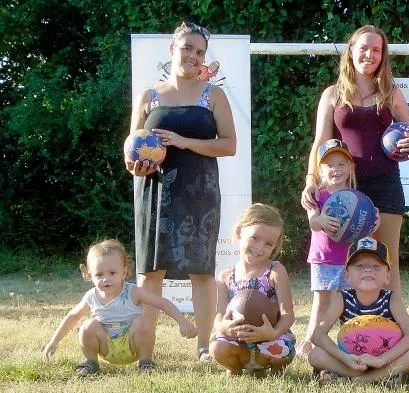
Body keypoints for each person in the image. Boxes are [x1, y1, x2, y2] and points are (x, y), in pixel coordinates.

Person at [127, 20, 237, 365]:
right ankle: (146, 354)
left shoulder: (213, 95)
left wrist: (183, 141)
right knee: (150, 273)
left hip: (200, 191)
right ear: (172, 49)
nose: (193, 55)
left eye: (200, 51)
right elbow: (130, 148)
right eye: (187, 47)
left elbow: (229, 145)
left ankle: (205, 348)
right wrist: (135, 166)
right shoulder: (148, 96)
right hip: (155, 192)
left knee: (201, 271)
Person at [301, 25, 409, 294]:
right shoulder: (332, 94)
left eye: (376, 50)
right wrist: (311, 179)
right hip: (344, 189)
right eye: (363, 48)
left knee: (386, 264)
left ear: (382, 56)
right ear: (351, 51)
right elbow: (320, 142)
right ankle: (349, 320)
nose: (369, 55)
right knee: (348, 266)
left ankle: (394, 319)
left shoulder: (391, 93)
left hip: (385, 185)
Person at [42, 239, 198, 375]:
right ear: (90, 275)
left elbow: (162, 303)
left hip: (132, 344)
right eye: (99, 275)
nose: (106, 279)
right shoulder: (91, 296)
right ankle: (91, 363)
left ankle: (146, 363)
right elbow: (73, 316)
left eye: (112, 273)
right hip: (106, 346)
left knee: (142, 322)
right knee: (88, 326)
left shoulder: (133, 292)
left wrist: (182, 321)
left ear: (123, 273)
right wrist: (54, 341)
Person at [297, 138, 380, 357]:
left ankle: (351, 341)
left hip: (349, 261)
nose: (336, 169)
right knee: (322, 302)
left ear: (351, 167)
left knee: (349, 302)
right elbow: (313, 222)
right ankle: (311, 340)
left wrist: (374, 222)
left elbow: (367, 229)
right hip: (324, 258)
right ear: (320, 170)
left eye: (342, 164)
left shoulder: (359, 199)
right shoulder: (317, 195)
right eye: (329, 165)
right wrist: (321, 220)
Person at [307, 237, 409, 385]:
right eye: (359, 266)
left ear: (387, 276)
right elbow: (318, 335)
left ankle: (360, 380)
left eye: (376, 266)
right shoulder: (342, 299)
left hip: (386, 360)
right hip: (352, 361)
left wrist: (380, 360)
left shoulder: (391, 299)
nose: (368, 270)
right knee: (315, 354)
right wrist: (345, 358)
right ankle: (380, 377)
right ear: (347, 275)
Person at [208, 203, 296, 375]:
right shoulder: (226, 277)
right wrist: (225, 328)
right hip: (239, 342)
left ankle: (276, 370)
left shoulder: (275, 272)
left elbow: (288, 315)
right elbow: (219, 315)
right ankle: (234, 369)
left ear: (275, 246)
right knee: (217, 347)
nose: (260, 247)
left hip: (270, 342)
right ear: (239, 232)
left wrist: (273, 333)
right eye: (255, 238)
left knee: (282, 351)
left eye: (268, 244)